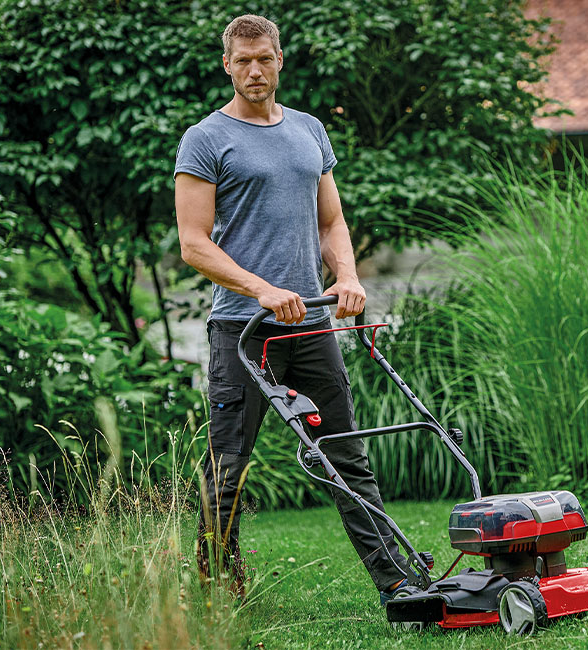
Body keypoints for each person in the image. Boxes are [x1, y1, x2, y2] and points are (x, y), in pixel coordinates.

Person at [173, 13, 410, 602]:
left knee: (346, 457)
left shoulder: (309, 130)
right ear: (227, 65)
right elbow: (193, 244)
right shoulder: (205, 139)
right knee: (228, 466)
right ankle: (220, 591)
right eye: (242, 60)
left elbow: (331, 220)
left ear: (281, 60)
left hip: (310, 324)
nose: (254, 70)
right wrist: (262, 290)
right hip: (243, 329)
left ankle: (398, 584)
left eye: (264, 58)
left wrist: (348, 275)